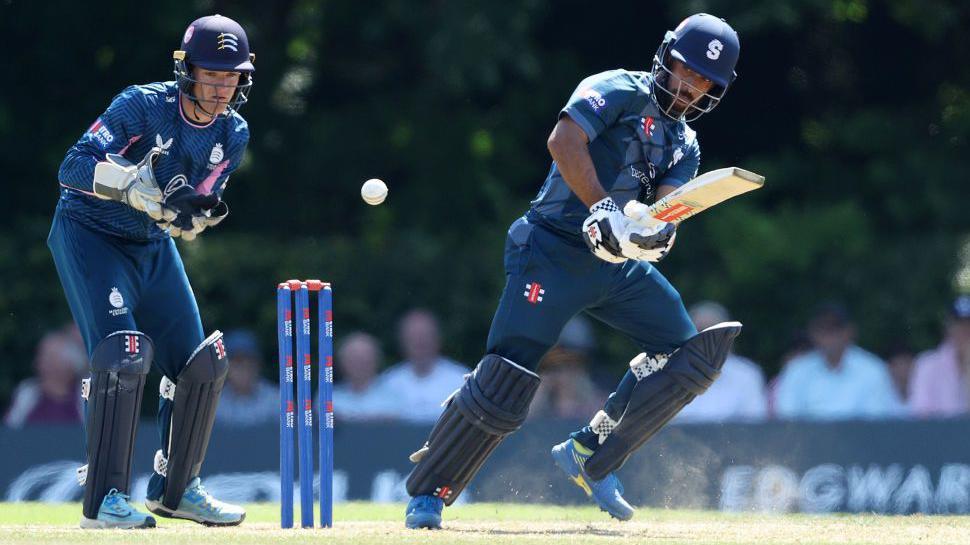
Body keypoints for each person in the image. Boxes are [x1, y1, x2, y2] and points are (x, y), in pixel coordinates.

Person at [404, 14, 744, 528]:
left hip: (614, 263)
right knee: (508, 377)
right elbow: (564, 142)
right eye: (686, 71)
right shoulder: (616, 89)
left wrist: (656, 233)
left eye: (704, 83)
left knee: (688, 355)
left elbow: (666, 208)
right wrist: (604, 208)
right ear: (665, 57)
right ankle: (429, 491)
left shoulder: (685, 144)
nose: (691, 88)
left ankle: (592, 453)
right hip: (552, 248)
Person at [47, 14, 253, 528]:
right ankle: (103, 501)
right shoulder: (142, 105)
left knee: (201, 364)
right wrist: (129, 186)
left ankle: (177, 490)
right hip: (92, 234)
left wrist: (191, 216)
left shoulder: (233, 132)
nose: (221, 87)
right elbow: (72, 167)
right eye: (211, 74)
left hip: (151, 246)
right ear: (186, 71)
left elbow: (199, 199)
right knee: (122, 353)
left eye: (231, 77)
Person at [774, 302, 903, 420]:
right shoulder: (796, 370)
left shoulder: (873, 370)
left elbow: (879, 421)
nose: (830, 336)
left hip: (860, 443)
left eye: (836, 328)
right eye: (823, 328)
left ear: (850, 331)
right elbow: (787, 420)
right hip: (810, 443)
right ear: (812, 333)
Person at [676, 302, 767, 423]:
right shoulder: (670, 375)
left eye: (713, 333)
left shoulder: (747, 375)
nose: (705, 339)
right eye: (699, 332)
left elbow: (756, 428)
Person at [379, 309, 468, 424]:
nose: (419, 342)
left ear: (437, 338)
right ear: (402, 342)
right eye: (413, 337)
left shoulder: (462, 381)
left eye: (425, 336)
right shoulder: (387, 383)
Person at [4, 326, 87, 427]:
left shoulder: (84, 395)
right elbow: (9, 431)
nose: (37, 363)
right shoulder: (27, 393)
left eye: (48, 359)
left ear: (68, 366)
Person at [531, 316, 607, 419]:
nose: (563, 372)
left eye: (573, 361)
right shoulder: (530, 391)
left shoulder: (599, 400)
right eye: (554, 364)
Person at [909, 296, 970, 417]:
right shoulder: (927, 365)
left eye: (968, 326)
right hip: (940, 434)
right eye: (959, 325)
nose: (964, 331)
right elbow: (921, 415)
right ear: (948, 327)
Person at [215, 330, 278, 427]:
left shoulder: (276, 400)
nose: (243, 369)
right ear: (225, 367)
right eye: (237, 363)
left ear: (258, 364)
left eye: (249, 362)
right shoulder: (215, 404)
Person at [331, 332, 396, 421]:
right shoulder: (329, 398)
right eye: (353, 358)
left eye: (365, 358)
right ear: (341, 362)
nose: (359, 363)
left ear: (377, 360)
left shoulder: (395, 396)